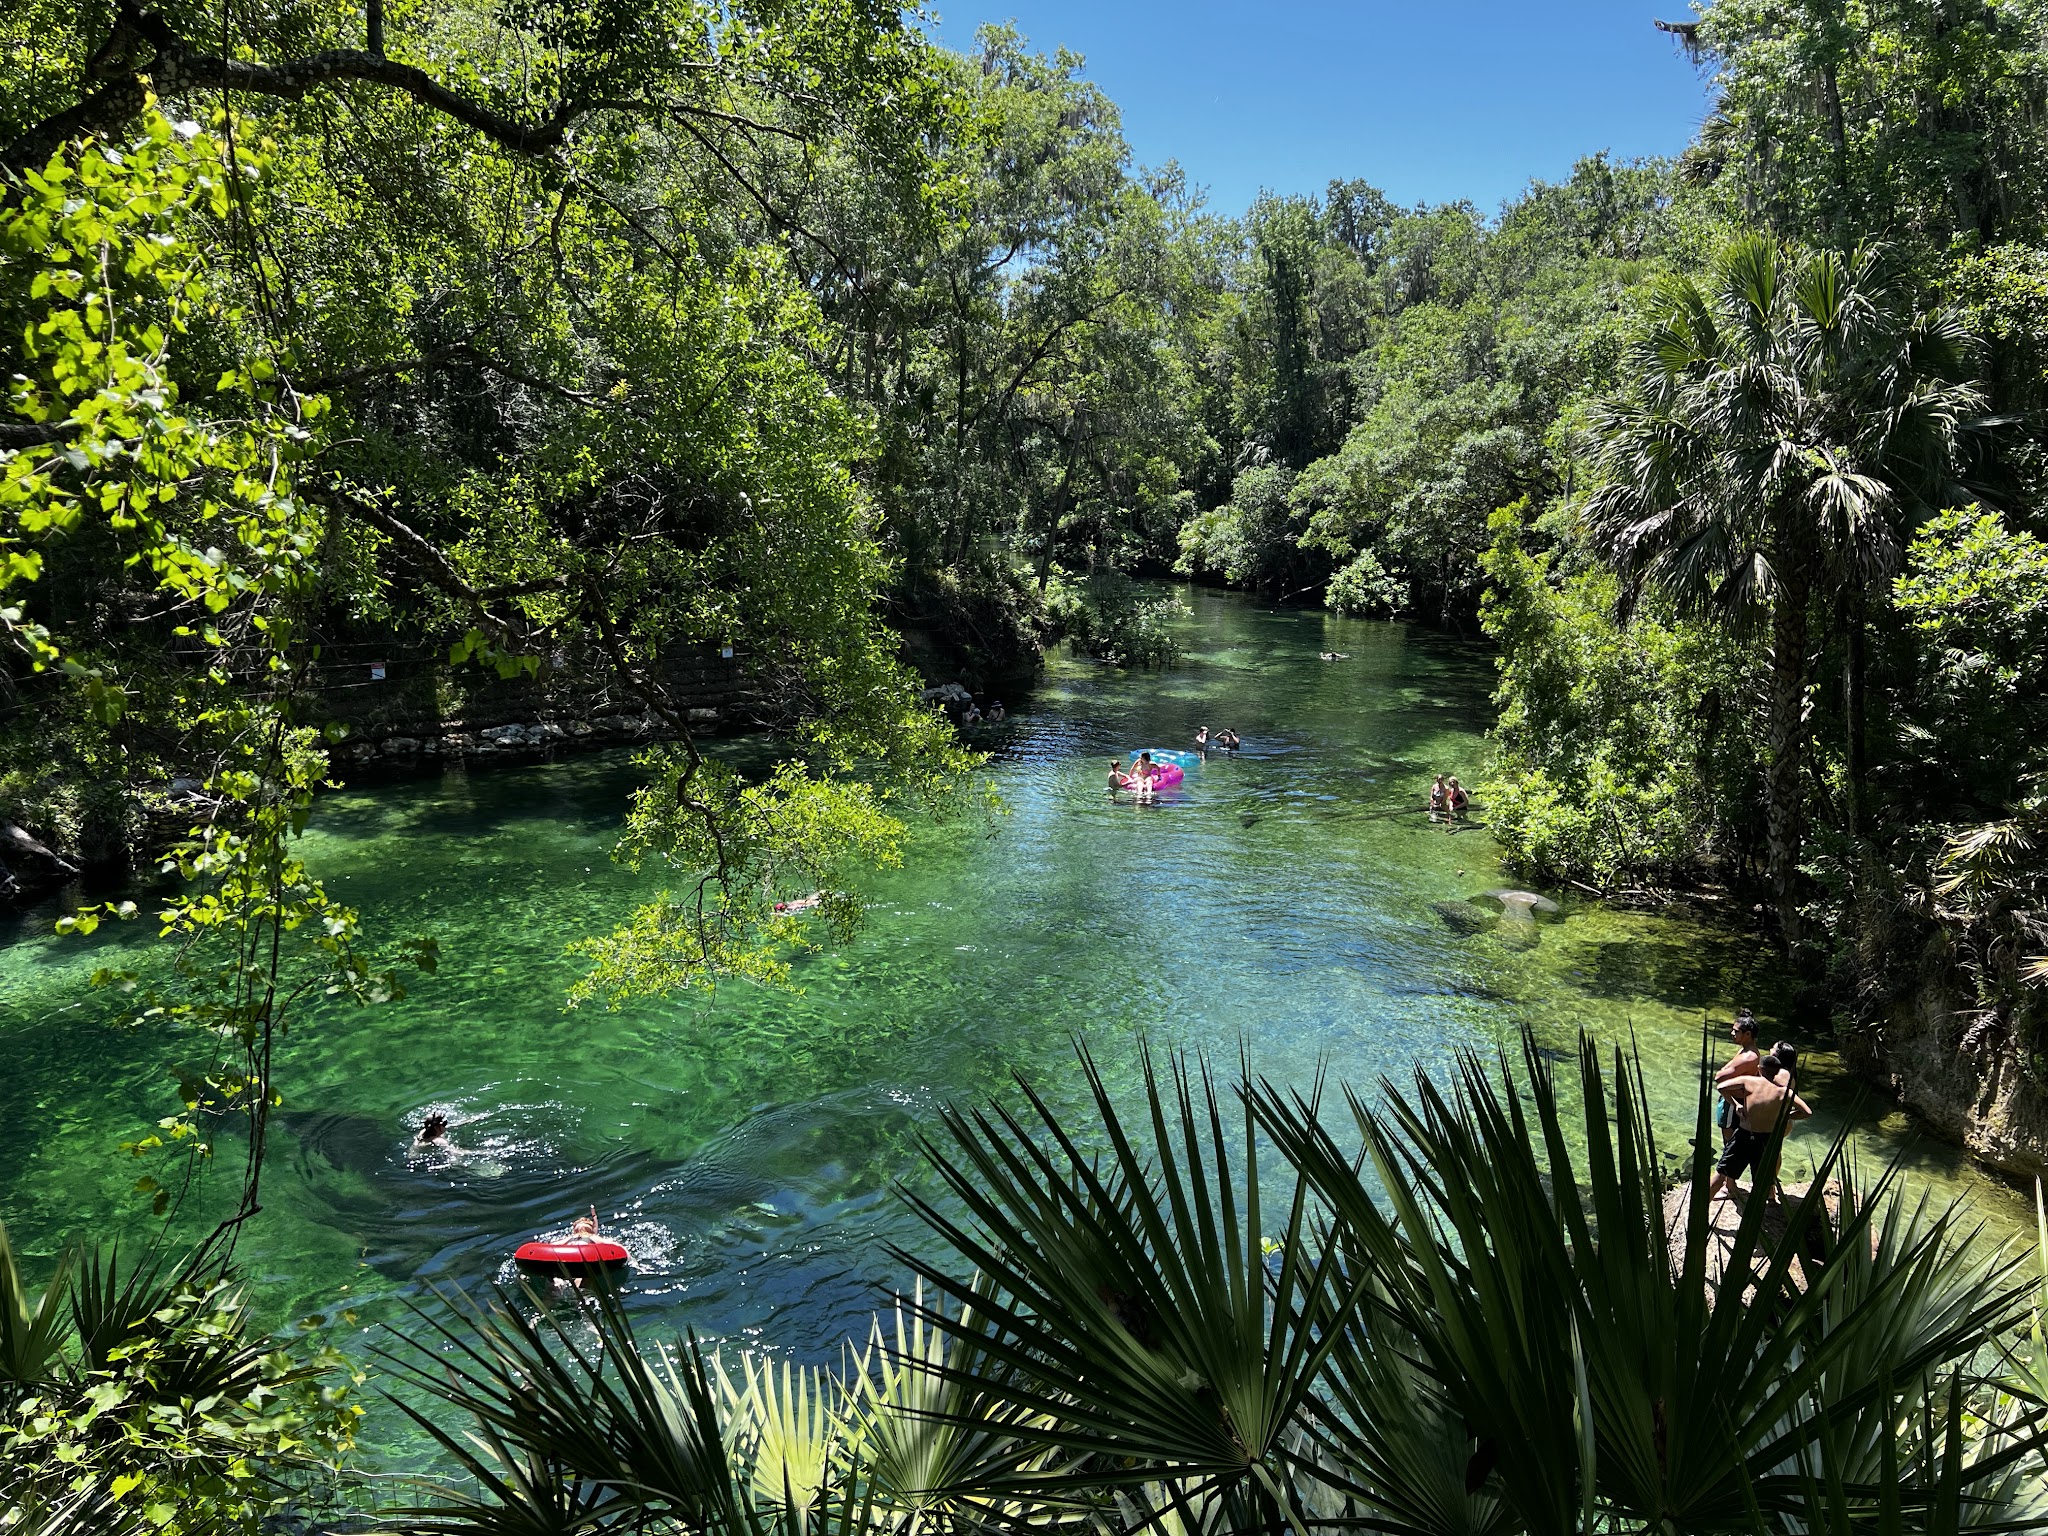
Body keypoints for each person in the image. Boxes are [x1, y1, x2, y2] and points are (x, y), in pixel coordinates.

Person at [1707, 1046, 1812, 1203]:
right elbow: (1807, 1112)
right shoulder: (1784, 1092)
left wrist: (1736, 1104)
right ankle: (1756, 1216)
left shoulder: (1749, 1081)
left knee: (1721, 1173)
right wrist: (1784, 1117)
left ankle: (1701, 1208)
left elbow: (1721, 1086)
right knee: (1761, 1181)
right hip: (1766, 1140)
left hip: (1743, 1135)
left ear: (1759, 1069)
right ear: (1777, 1073)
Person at [1713, 1010, 1763, 1147]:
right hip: (1732, 1099)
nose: (1732, 1033)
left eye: (1736, 1031)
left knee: (1728, 1140)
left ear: (1747, 1034)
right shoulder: (1745, 1050)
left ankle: (1727, 1166)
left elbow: (1719, 1077)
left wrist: (1722, 1073)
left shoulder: (1748, 1056)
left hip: (1733, 1102)